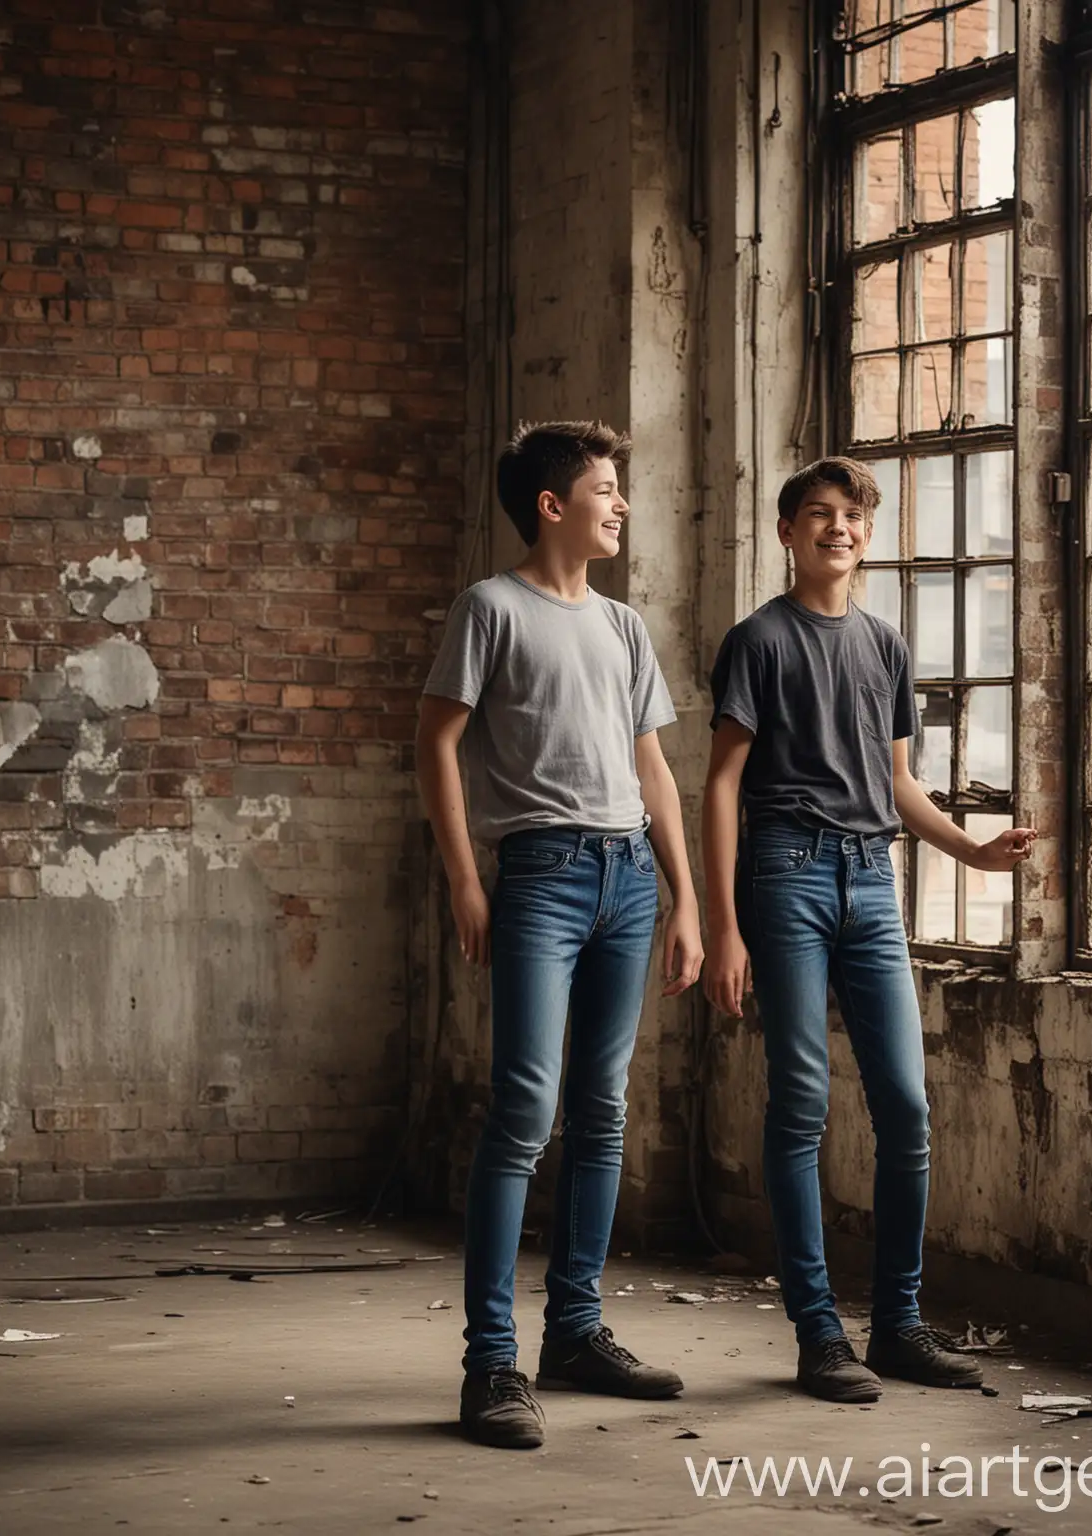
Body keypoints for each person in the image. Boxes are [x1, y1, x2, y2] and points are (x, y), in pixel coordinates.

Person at [700, 456, 1036, 1404]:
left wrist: (972, 853)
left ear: (867, 535)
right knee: (800, 1104)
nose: (837, 528)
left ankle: (897, 1327)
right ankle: (817, 1335)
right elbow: (722, 784)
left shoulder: (885, 647)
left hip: (870, 881)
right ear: (787, 532)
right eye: (818, 513)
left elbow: (895, 785)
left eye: (852, 516)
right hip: (786, 873)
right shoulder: (758, 642)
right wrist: (725, 926)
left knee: (905, 1107)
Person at [417, 421, 703, 1450]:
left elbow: (655, 770)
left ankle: (574, 1334)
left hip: (628, 878)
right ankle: (489, 1363)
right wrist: (464, 881)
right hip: (537, 877)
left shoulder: (624, 627)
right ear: (553, 506)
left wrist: (687, 902)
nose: (620, 506)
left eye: (619, 492)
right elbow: (436, 744)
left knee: (603, 1109)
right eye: (606, 491)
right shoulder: (489, 610)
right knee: (524, 1110)